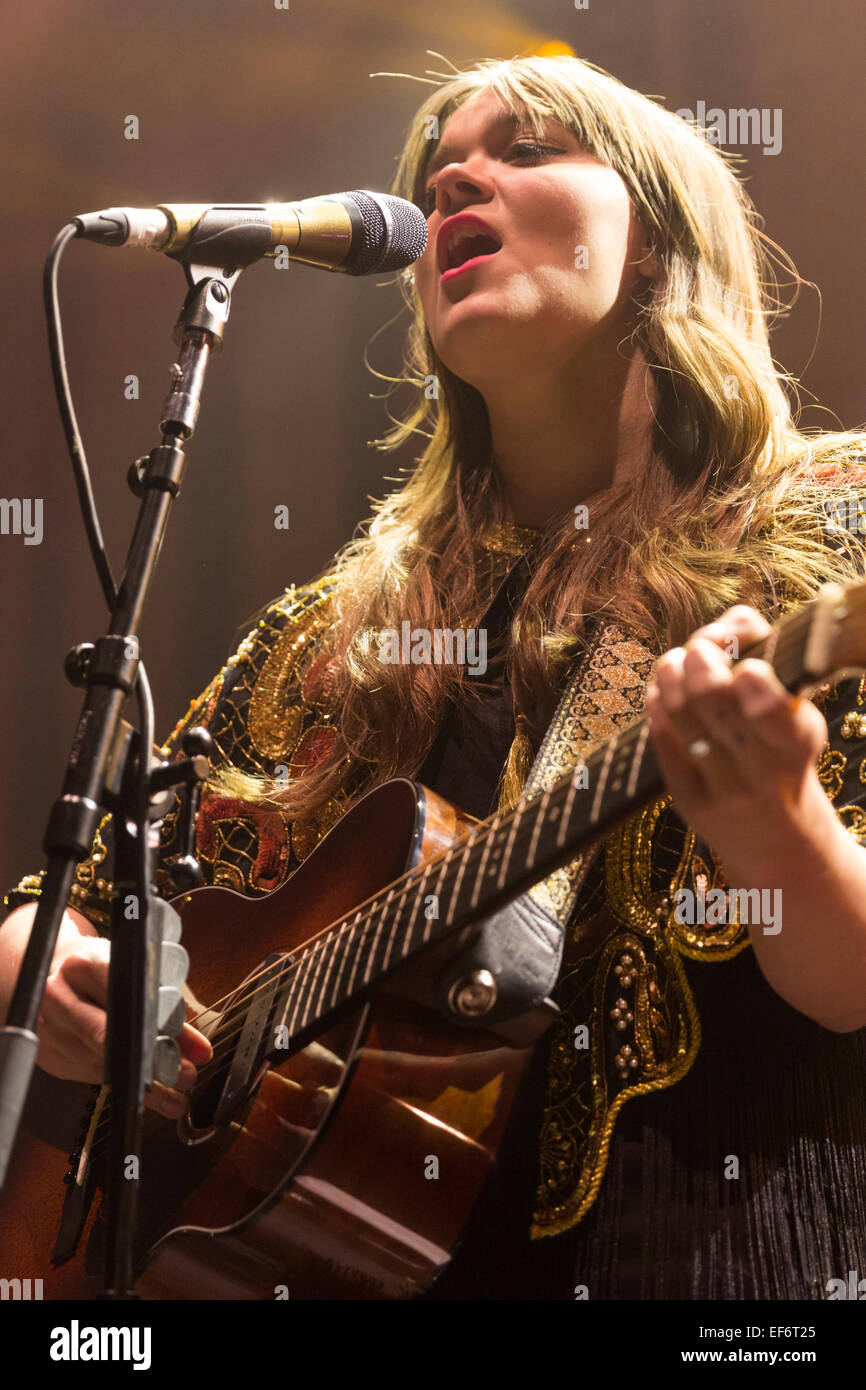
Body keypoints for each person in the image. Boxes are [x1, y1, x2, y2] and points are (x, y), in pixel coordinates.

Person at [3, 52, 866, 1300]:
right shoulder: (331, 633)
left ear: (665, 243)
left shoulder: (827, 531)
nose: (459, 173)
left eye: (527, 149)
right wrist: (61, 964)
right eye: (439, 166)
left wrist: (774, 830)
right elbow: (67, 904)